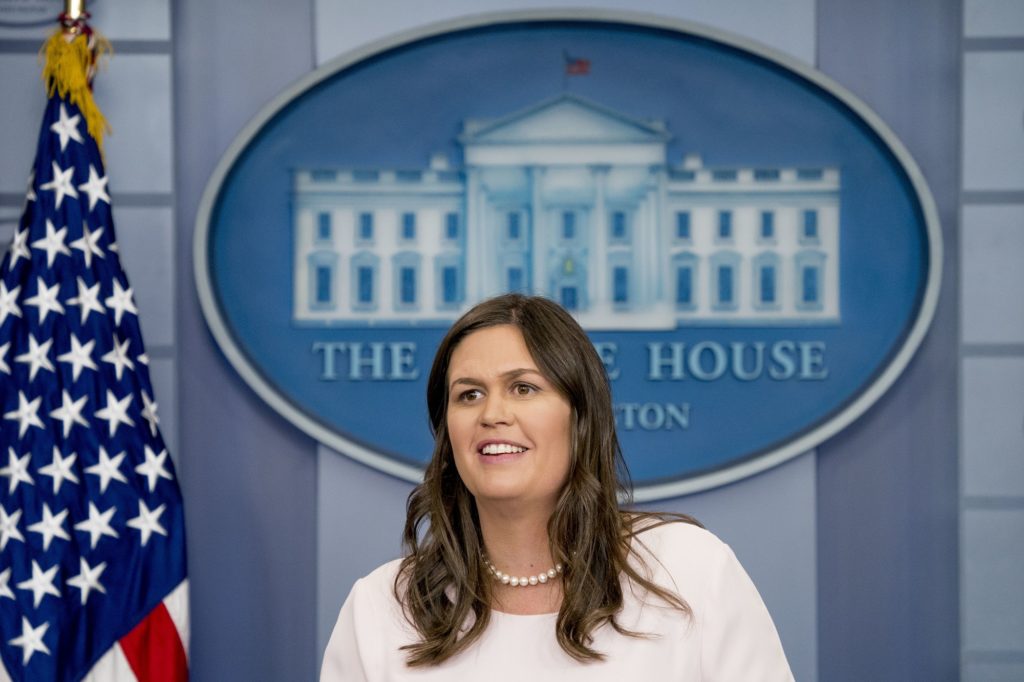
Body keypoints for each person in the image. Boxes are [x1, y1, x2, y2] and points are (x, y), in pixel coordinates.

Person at [321, 294, 793, 680]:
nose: (492, 414)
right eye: (469, 394)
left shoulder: (690, 572)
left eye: (524, 388)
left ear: (581, 418)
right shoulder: (381, 606)